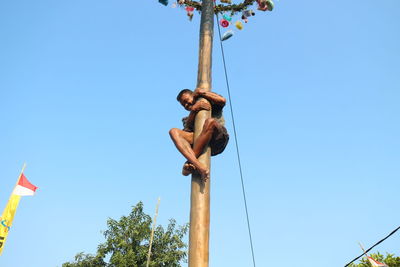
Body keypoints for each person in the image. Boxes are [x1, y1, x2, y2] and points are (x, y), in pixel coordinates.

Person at [169, 88, 229, 181]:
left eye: (186, 101)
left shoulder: (209, 100)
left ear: (193, 95)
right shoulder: (187, 119)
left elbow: (222, 100)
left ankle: (190, 162)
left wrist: (202, 93)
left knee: (210, 122)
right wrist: (193, 111)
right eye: (183, 105)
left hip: (218, 138)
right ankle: (198, 165)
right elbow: (187, 131)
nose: (186, 105)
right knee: (173, 131)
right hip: (199, 141)